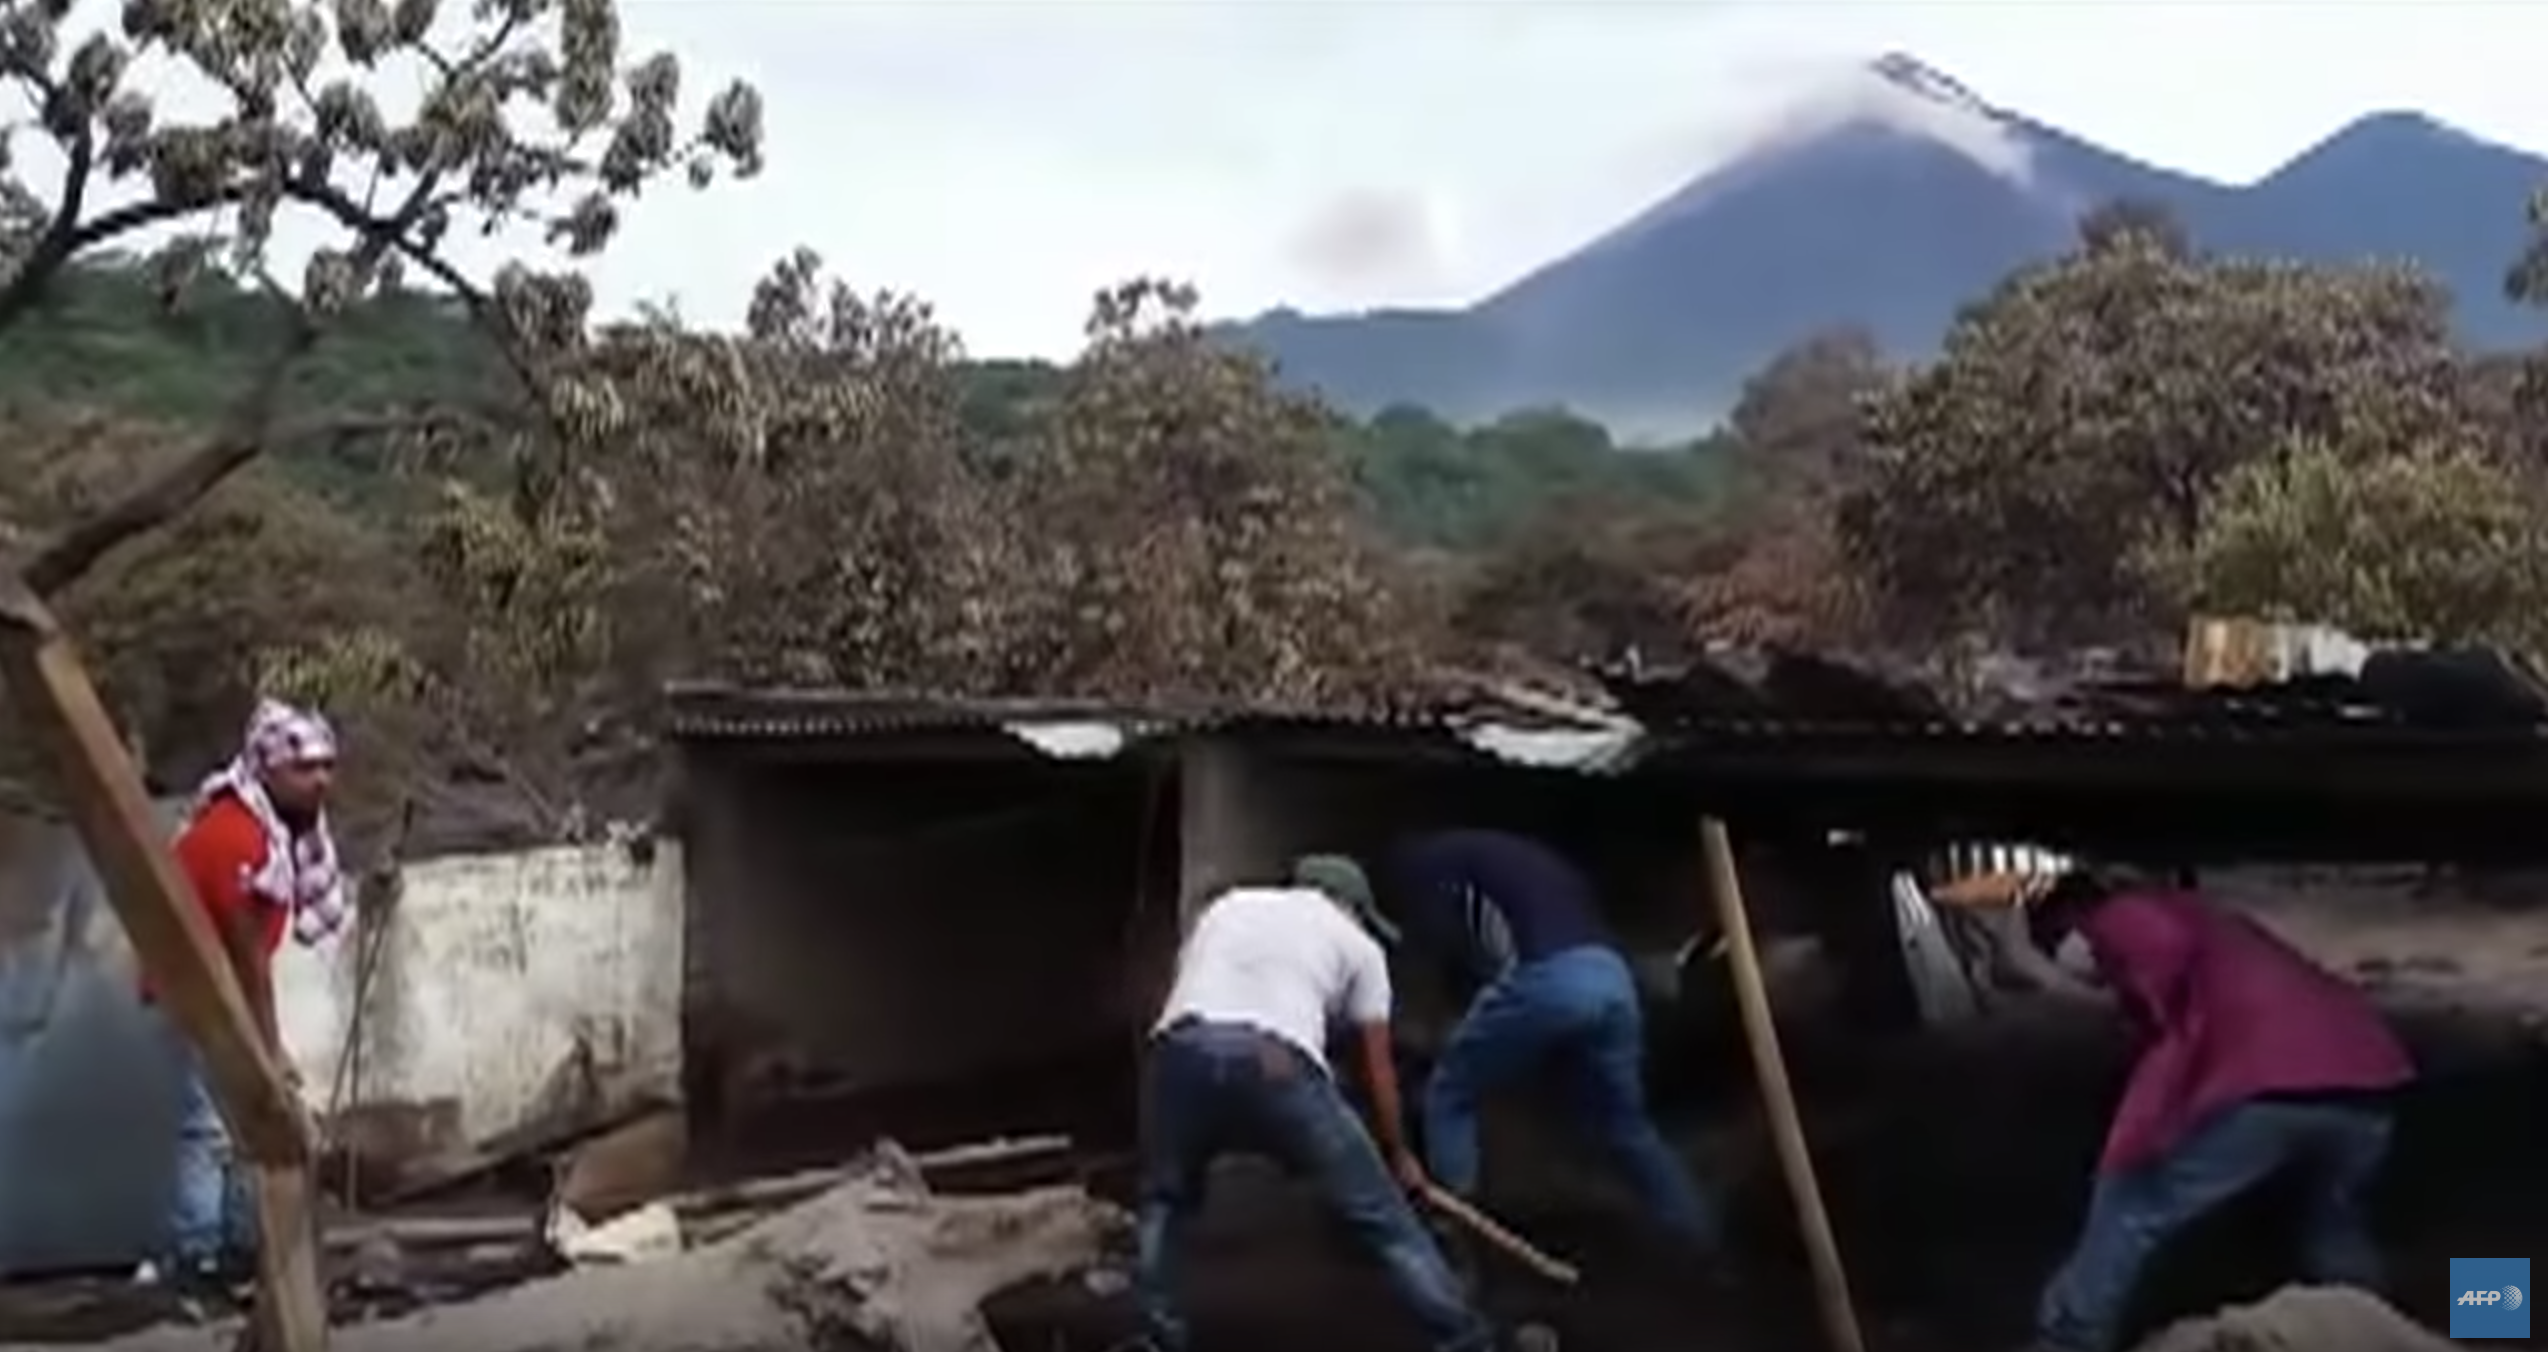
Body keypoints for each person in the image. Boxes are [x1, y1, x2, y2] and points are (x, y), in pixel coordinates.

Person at [1953, 868, 2413, 1352]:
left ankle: (2069, 1340)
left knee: (2130, 1205)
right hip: (2367, 1079)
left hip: (2274, 1079)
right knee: (2331, 1224)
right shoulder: (2208, 924)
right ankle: (2381, 1332)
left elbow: (2175, 1041)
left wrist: (2132, 1142)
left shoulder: (2128, 920)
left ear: (2073, 917)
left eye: (2053, 944)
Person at [1136, 855, 1495, 1352]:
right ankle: (1465, 1339)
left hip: (1181, 1052)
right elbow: (1378, 1066)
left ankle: (1157, 1336)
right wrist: (1398, 1155)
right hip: (1276, 1063)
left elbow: (1196, 987)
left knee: (1165, 1200)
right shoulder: (1361, 947)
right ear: (1350, 907)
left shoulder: (1228, 907)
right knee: (1387, 1220)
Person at [1381, 828, 1716, 1254]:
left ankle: (1457, 1230)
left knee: (1449, 1090)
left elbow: (1448, 945)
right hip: (1614, 981)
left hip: (1551, 979)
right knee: (1625, 1124)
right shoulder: (1525, 860)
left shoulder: (1426, 863)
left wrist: (1437, 1023)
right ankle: (1695, 1234)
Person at [144, 697, 352, 1296]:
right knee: (208, 1130)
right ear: (268, 770)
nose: (321, 782)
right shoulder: (237, 835)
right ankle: (196, 1260)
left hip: (221, 991)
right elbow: (245, 954)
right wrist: (269, 1046)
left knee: (242, 1125)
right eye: (305, 769)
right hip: (198, 992)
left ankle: (238, 1245)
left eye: (326, 767)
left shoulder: (270, 830)